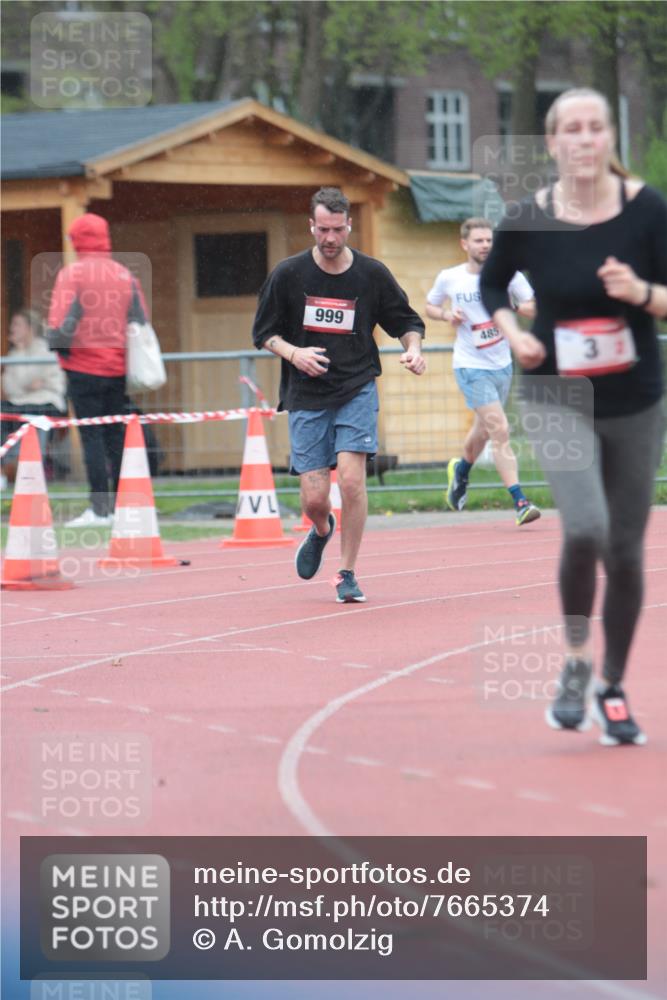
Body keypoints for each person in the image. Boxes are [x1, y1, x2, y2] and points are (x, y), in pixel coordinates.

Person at [480, 87, 667, 746]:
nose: (584, 139)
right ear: (552, 142)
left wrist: (641, 292)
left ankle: (610, 685)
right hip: (556, 391)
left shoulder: (646, 211)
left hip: (634, 398)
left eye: (596, 127)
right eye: (571, 128)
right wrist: (510, 328)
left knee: (624, 549)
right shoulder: (527, 217)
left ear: (608, 137)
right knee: (584, 527)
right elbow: (488, 283)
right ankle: (575, 657)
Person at [252, 186, 426, 603]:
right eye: (322, 230)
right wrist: (295, 354)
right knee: (315, 497)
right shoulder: (288, 274)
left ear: (349, 226)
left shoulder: (371, 274)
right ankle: (321, 528)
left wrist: (414, 349)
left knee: (351, 480)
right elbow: (264, 333)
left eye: (337, 229)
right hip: (307, 394)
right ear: (311, 226)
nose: (330, 238)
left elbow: (405, 320)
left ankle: (347, 572)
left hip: (356, 387)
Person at [425, 218, 540, 526]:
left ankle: (460, 470)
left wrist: (510, 306)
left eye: (489, 240)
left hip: (501, 364)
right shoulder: (451, 278)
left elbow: (533, 306)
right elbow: (430, 306)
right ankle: (520, 501)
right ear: (465, 244)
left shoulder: (509, 276)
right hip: (469, 365)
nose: (485, 246)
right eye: (478, 241)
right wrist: (448, 314)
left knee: (484, 430)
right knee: (500, 429)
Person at [47, 213, 150, 527]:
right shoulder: (123, 274)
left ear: (77, 239)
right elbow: (140, 320)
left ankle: (99, 509)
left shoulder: (73, 273)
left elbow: (58, 328)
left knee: (91, 437)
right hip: (117, 369)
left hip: (82, 368)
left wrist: (55, 341)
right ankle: (121, 505)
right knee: (114, 437)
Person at [1, 309, 67, 485]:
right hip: (20, 403)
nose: (12, 328)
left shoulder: (46, 350)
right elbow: (11, 387)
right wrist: (33, 382)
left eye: (17, 324)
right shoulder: (15, 354)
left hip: (46, 402)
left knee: (33, 419)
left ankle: (31, 469)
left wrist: (35, 383)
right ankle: (3, 467)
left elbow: (52, 381)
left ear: (30, 328)